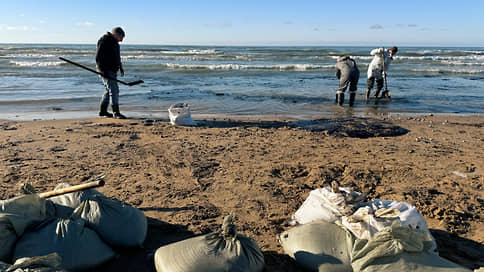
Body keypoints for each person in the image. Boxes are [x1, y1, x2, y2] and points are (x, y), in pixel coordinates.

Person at [96, 27, 126, 119]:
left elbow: (117, 56)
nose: (121, 40)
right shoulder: (104, 40)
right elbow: (98, 57)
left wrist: (120, 67)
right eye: (121, 37)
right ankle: (116, 112)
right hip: (106, 70)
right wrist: (103, 71)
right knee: (114, 90)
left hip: (112, 70)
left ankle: (103, 111)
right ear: (116, 34)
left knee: (108, 90)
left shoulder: (115, 43)